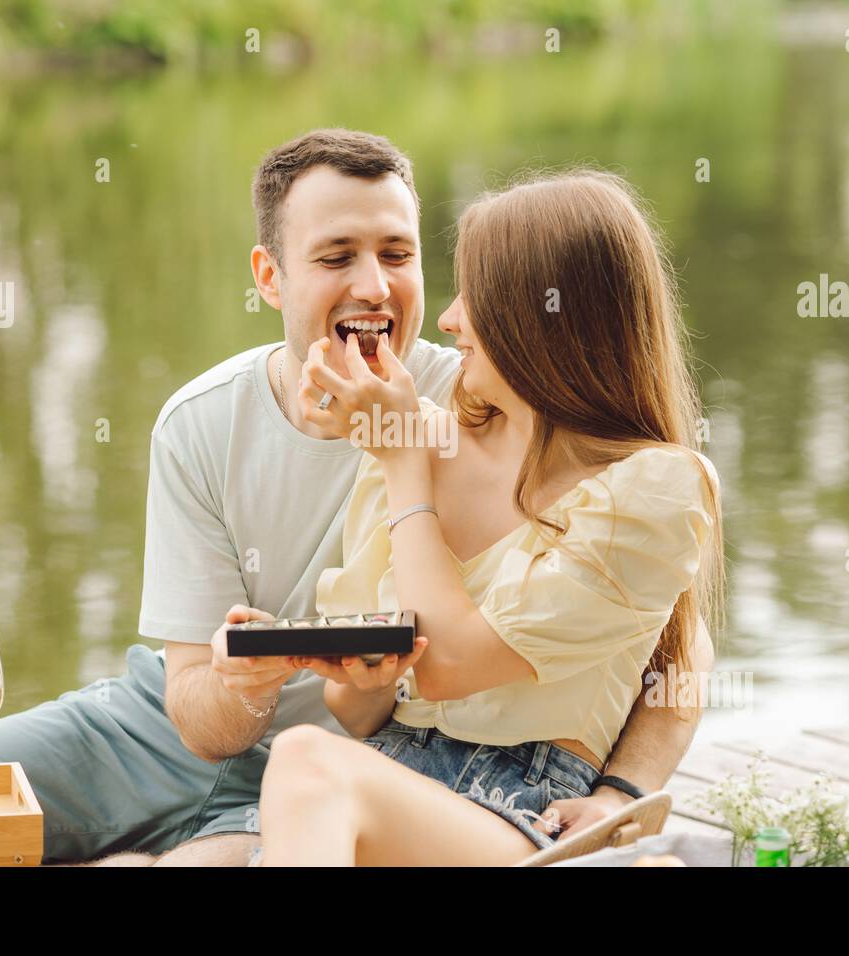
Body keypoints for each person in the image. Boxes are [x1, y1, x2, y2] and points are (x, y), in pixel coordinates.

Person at [0, 130, 715, 866]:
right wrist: (264, 680)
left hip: (357, 778)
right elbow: (219, 710)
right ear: (270, 276)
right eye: (336, 258)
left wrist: (619, 795)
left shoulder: (457, 406)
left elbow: (668, 642)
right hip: (201, 737)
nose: (377, 288)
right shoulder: (206, 423)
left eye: (398, 254)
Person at [253, 169, 723, 865]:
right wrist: (363, 675)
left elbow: (449, 667)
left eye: (477, 294)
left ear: (543, 318)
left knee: (303, 760)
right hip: (388, 783)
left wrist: (622, 792)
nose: (449, 318)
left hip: (521, 807)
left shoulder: (654, 490)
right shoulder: (425, 442)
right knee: (307, 772)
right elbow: (355, 712)